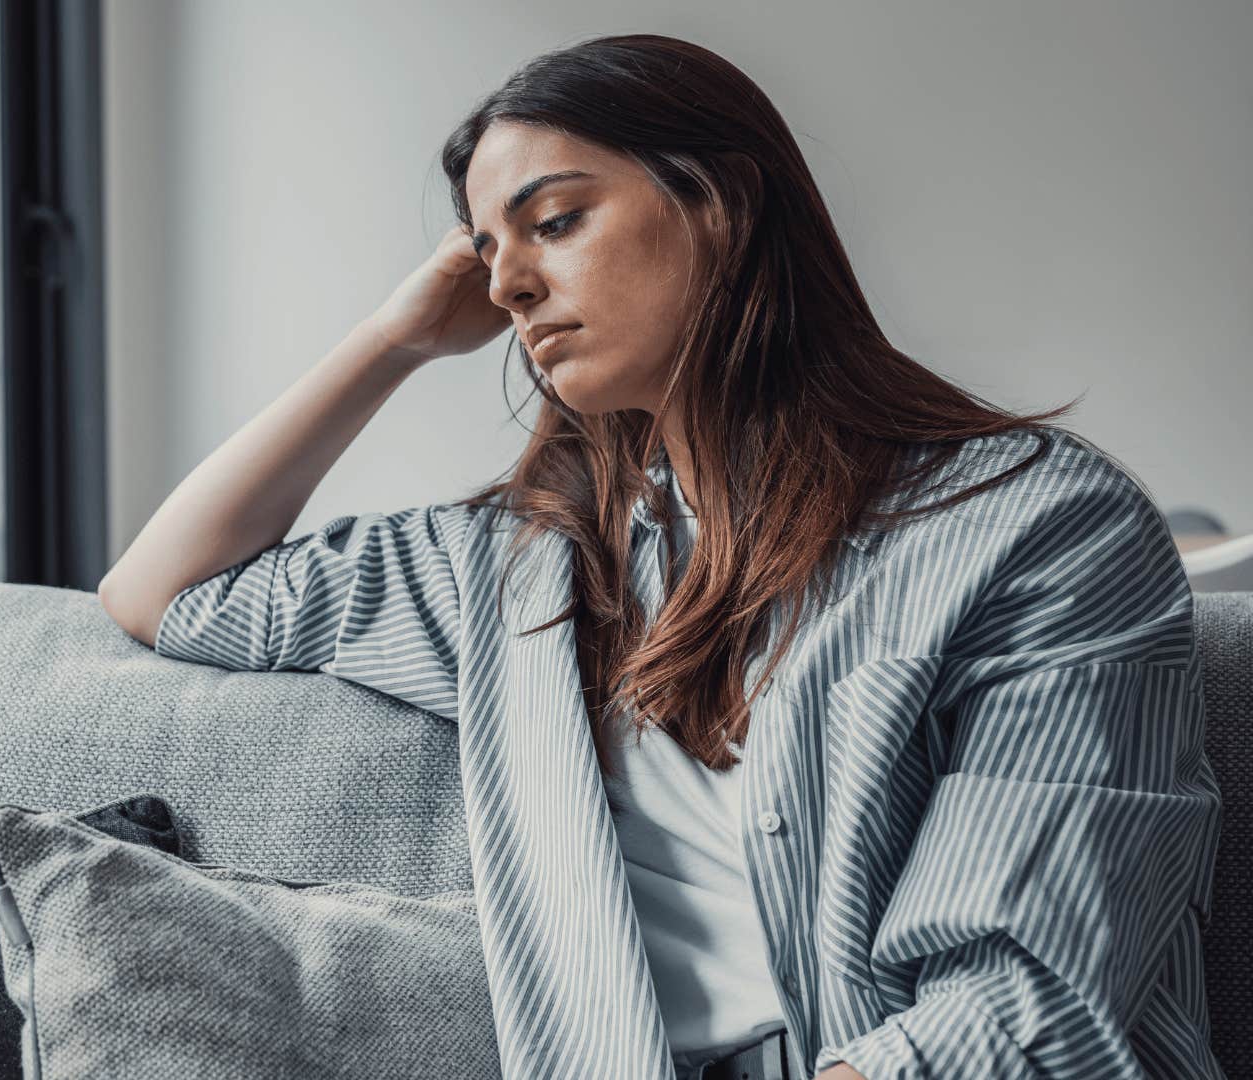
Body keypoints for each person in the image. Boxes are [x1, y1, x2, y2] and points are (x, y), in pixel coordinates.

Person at [99, 32, 1223, 1080]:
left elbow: (1026, 1003)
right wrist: (393, 340)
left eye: (554, 222)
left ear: (720, 205)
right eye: (486, 253)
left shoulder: (1038, 527)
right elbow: (162, 591)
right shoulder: (519, 575)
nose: (506, 287)